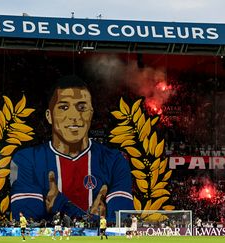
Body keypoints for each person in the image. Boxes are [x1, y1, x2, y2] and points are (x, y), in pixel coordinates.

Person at [10, 75, 134, 221]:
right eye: (64, 107)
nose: (74, 115)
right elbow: (27, 220)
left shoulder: (115, 161)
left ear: (91, 114)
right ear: (49, 116)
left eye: (82, 107)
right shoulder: (25, 160)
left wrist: (61, 205)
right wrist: (92, 220)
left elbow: (122, 221)